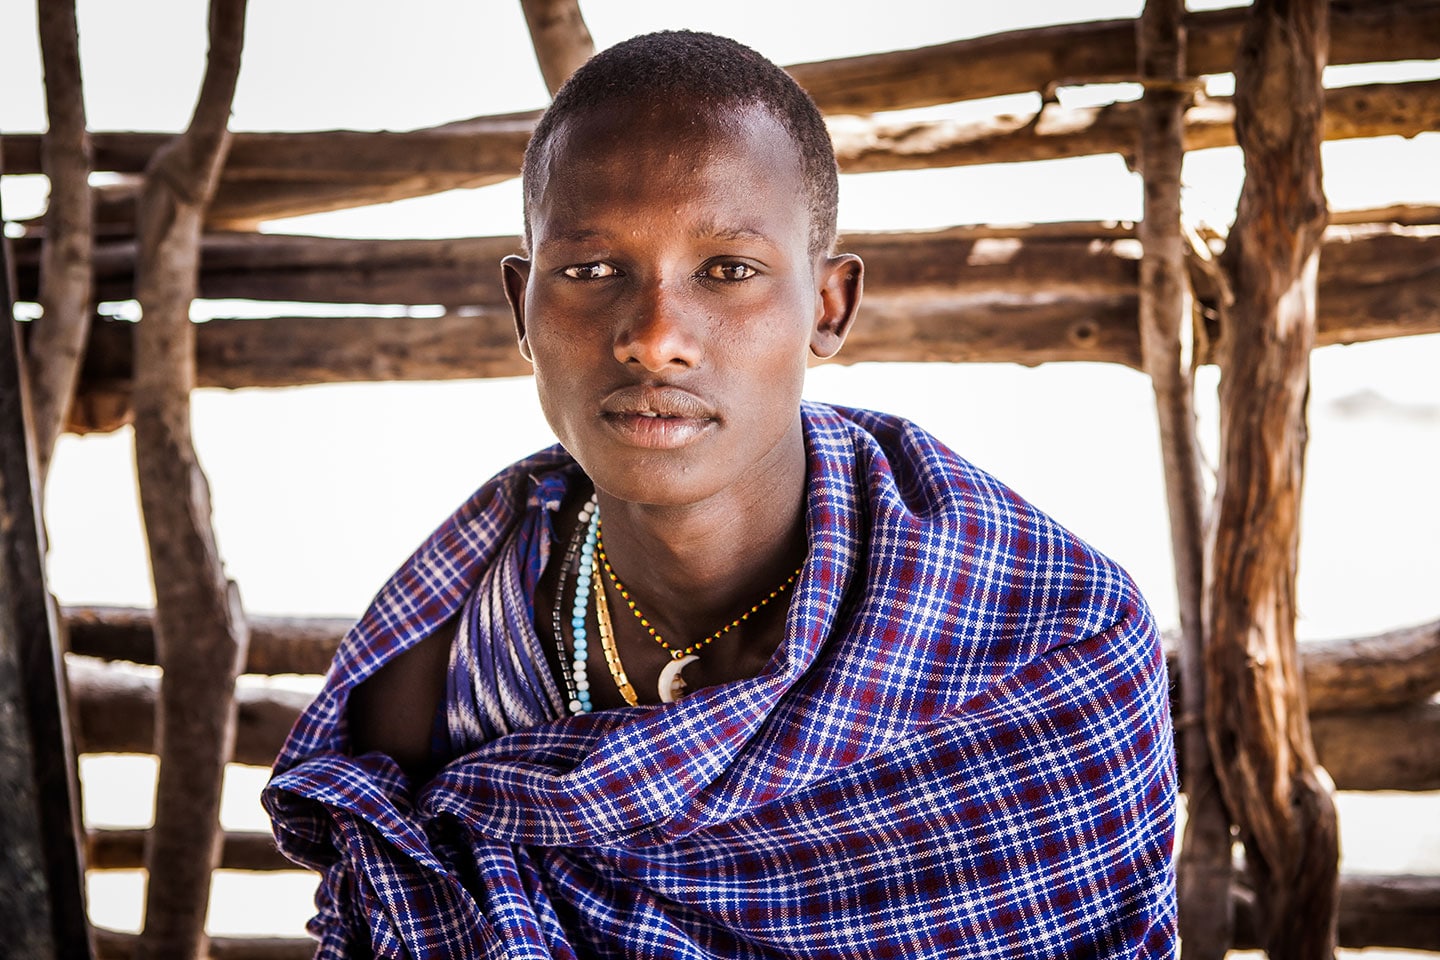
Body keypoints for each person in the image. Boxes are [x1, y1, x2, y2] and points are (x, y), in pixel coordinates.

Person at [264, 30, 1177, 959]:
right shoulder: (446, 660)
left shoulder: (1048, 641)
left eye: (728, 271)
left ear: (829, 307)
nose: (656, 338)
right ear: (522, 306)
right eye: (590, 271)